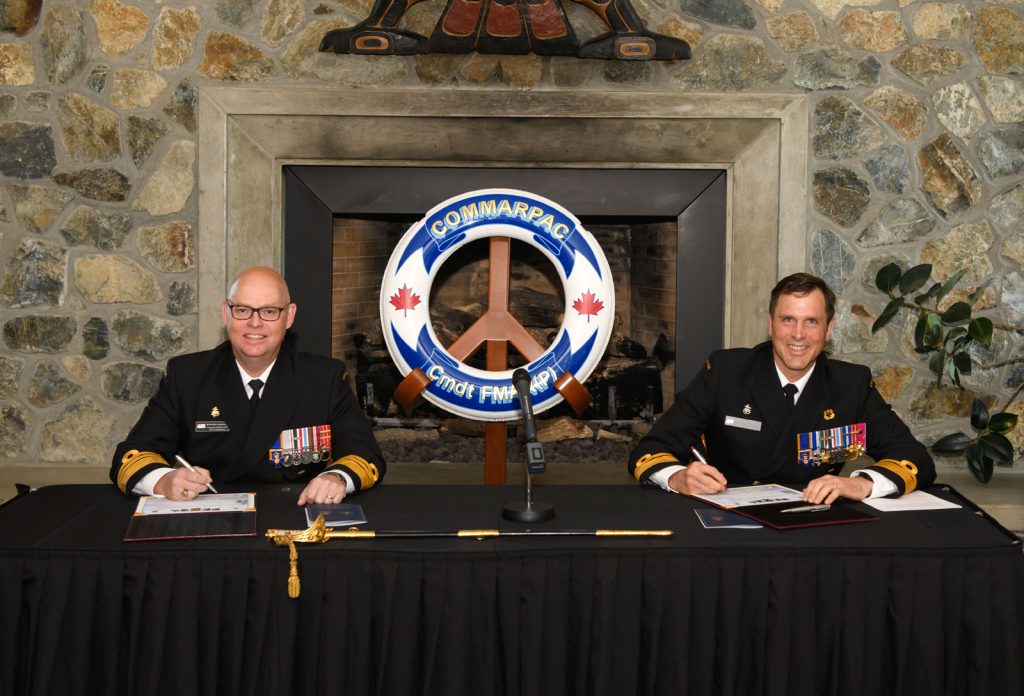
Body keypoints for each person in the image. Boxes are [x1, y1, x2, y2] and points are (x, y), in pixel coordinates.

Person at [629, 273, 934, 503]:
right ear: (770, 324)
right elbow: (650, 450)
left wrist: (863, 482)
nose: (798, 335)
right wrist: (679, 477)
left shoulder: (850, 385)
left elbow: (914, 457)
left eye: (811, 322)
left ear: (829, 329)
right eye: (788, 319)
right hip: (727, 517)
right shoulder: (727, 372)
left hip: (810, 524)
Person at [111, 266, 385, 505]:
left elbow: (365, 455)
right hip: (211, 516)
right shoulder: (188, 376)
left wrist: (335, 477)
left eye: (269, 311)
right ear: (225, 313)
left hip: (296, 512)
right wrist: (164, 480)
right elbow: (132, 456)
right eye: (242, 310)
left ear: (288, 317)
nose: (254, 323)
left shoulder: (323, 378)